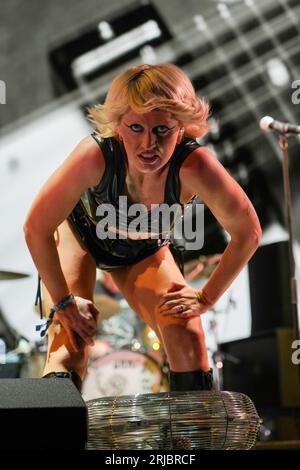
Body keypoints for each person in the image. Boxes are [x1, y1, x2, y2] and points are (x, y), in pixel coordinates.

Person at [23, 63, 261, 392]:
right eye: (136, 127)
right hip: (80, 237)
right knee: (69, 345)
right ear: (119, 126)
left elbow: (248, 233)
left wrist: (207, 297)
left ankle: (188, 440)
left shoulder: (196, 166)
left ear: (182, 128)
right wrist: (63, 302)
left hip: (144, 249)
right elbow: (36, 228)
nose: (148, 144)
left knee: (187, 335)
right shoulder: (94, 156)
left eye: (162, 130)